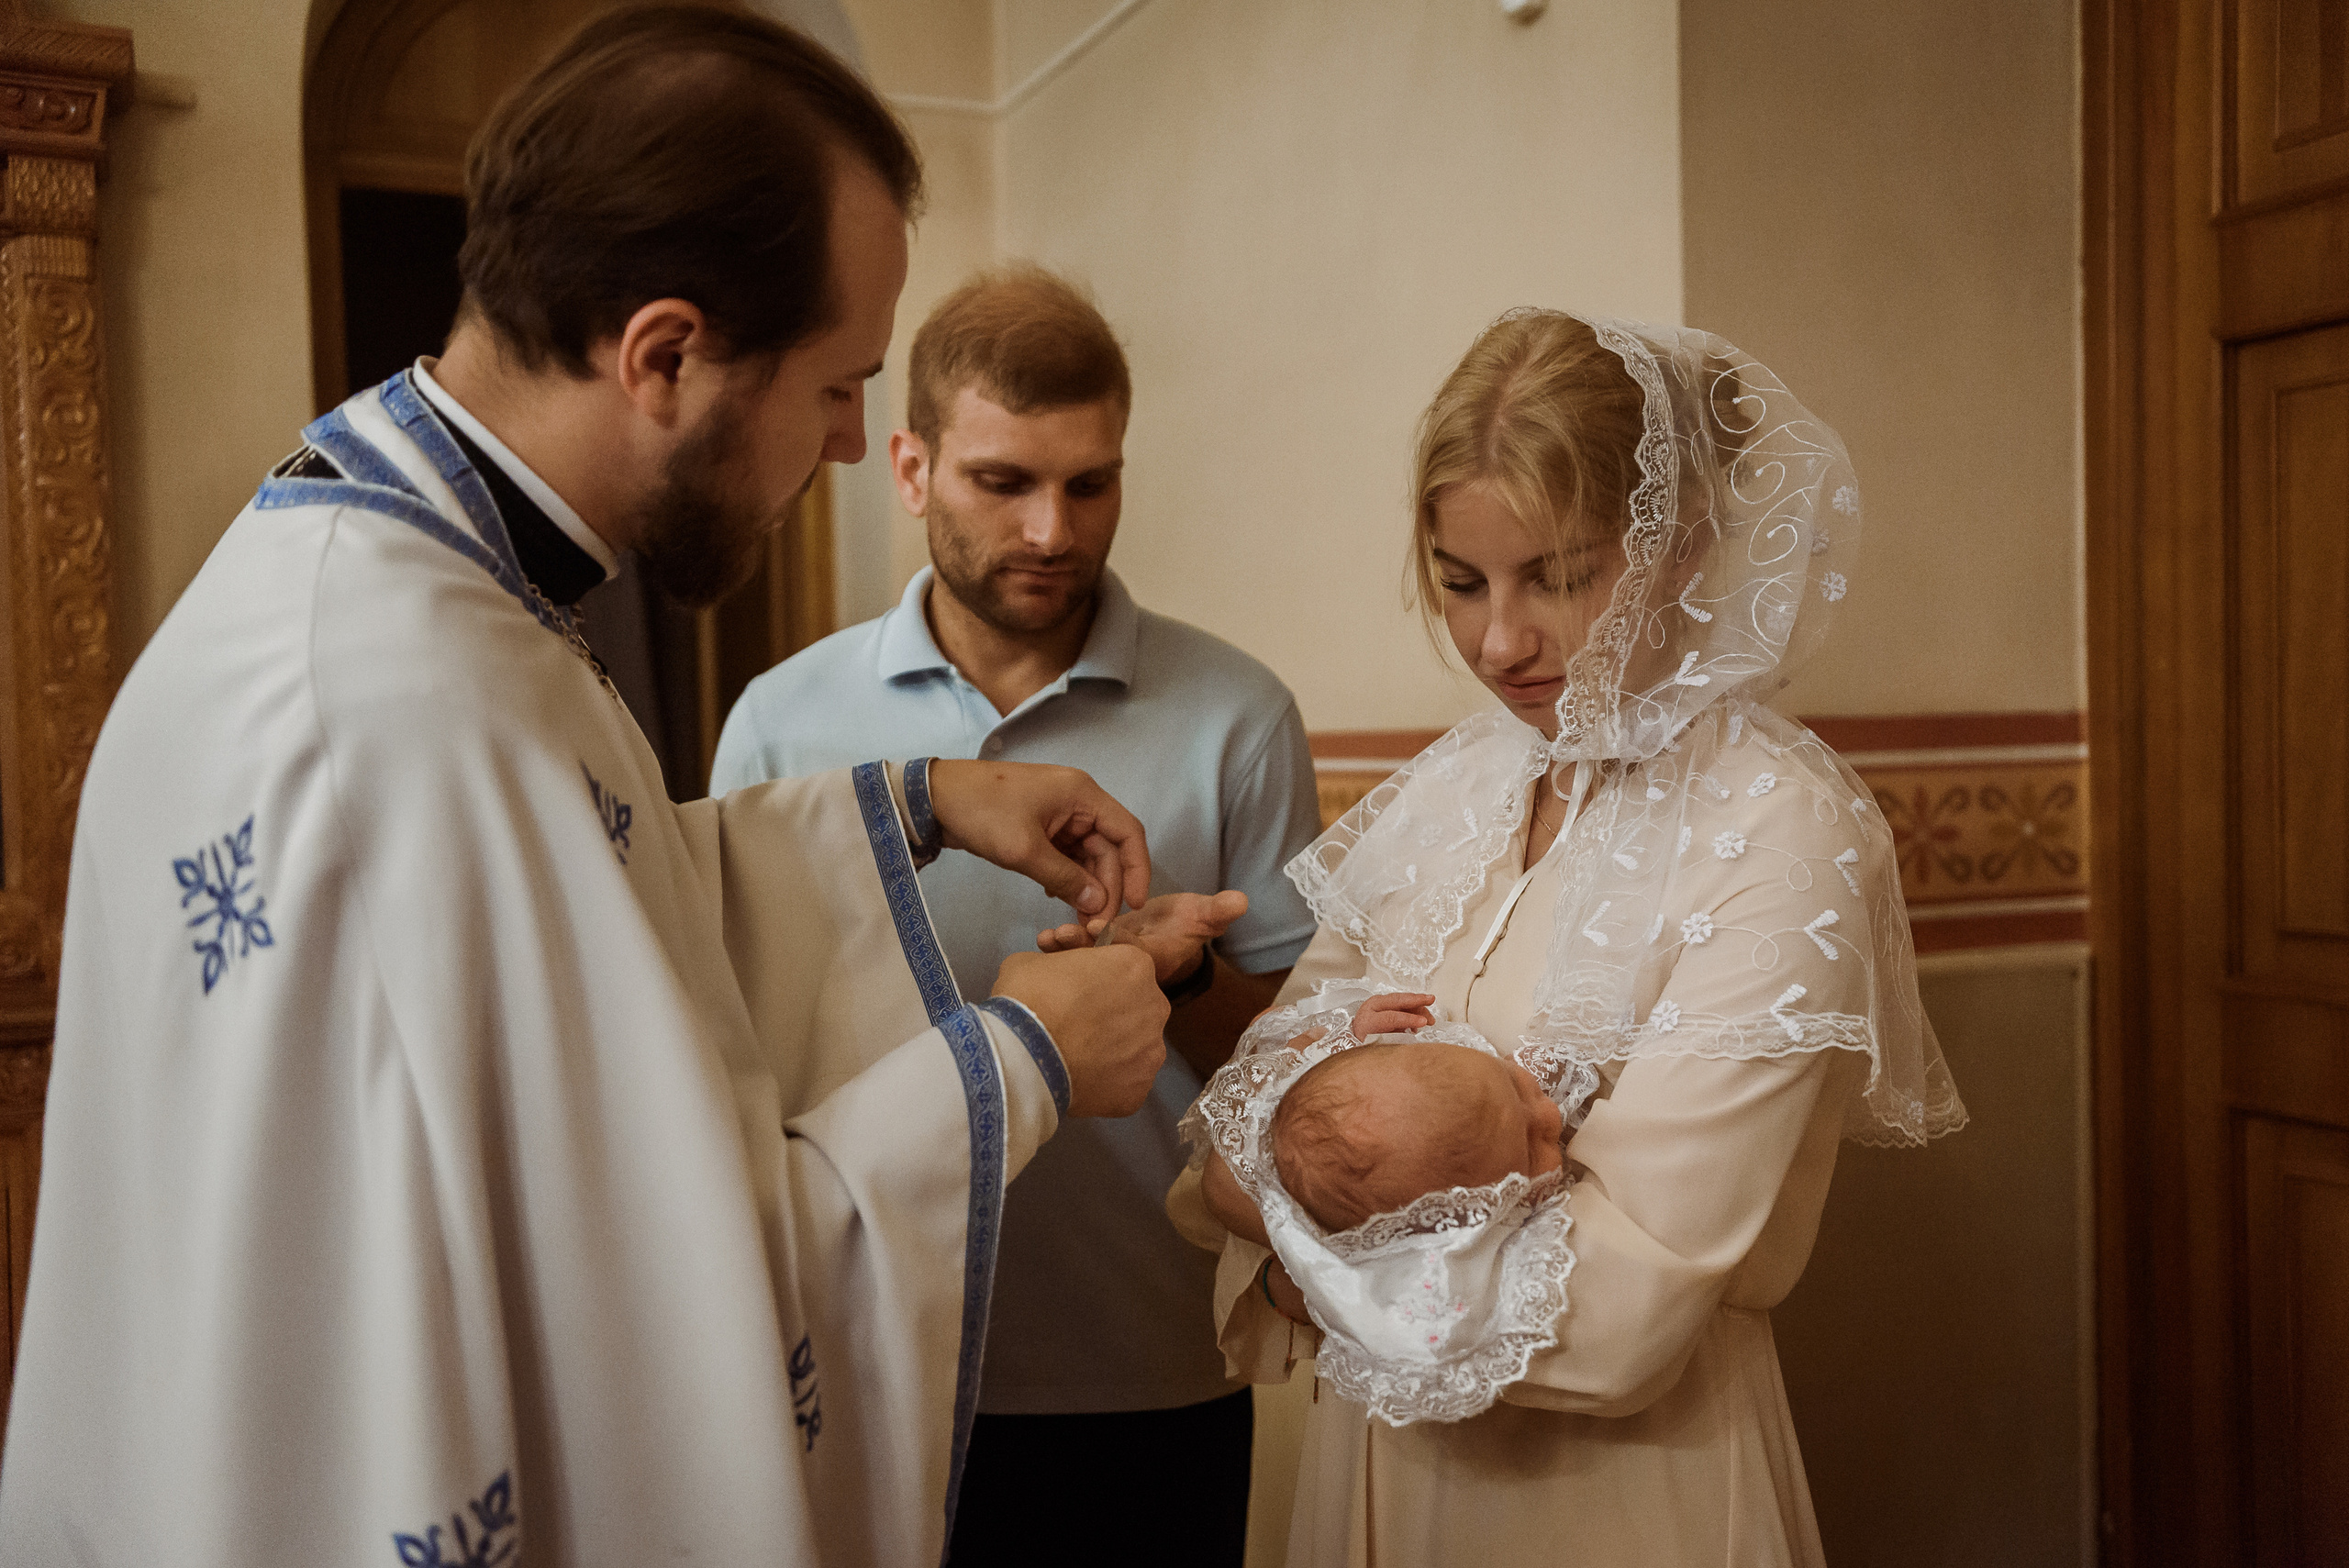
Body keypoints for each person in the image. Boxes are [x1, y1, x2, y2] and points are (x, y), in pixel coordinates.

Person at [0, 12, 1174, 1567]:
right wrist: (1020, 1056)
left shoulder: (441, 589)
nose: (843, 444)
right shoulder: (379, 701)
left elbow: (579, 905)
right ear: (667, 353)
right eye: (837, 384)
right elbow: (643, 1319)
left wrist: (921, 800)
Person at [1166, 310, 1967, 1563]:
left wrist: (1289, 1260)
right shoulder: (1451, 788)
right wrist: (1272, 1175)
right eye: (1461, 580)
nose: (1499, 643)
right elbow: (1227, 1135)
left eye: (1558, 575)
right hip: (1374, 1472)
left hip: (1618, 1495)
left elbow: (1627, 1302)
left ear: (1683, 542)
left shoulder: (1783, 830)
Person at [713, 264, 1323, 1566]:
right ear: (911, 466)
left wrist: (1178, 964)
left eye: (1089, 481)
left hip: (1149, 1372)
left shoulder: (1240, 714)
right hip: (867, 1353)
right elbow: (732, 1052)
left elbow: (1285, 1076)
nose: (1053, 527)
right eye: (1004, 481)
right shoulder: (783, 722)